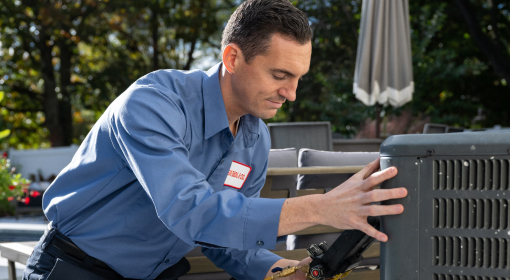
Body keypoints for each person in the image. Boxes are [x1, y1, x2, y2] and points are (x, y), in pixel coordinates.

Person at [23, 0, 407, 279]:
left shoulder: (255, 138)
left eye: (298, 78)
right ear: (233, 57)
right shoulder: (152, 104)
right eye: (279, 75)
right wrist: (322, 208)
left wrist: (289, 271)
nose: (291, 94)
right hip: (74, 268)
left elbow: (224, 241)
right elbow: (189, 210)